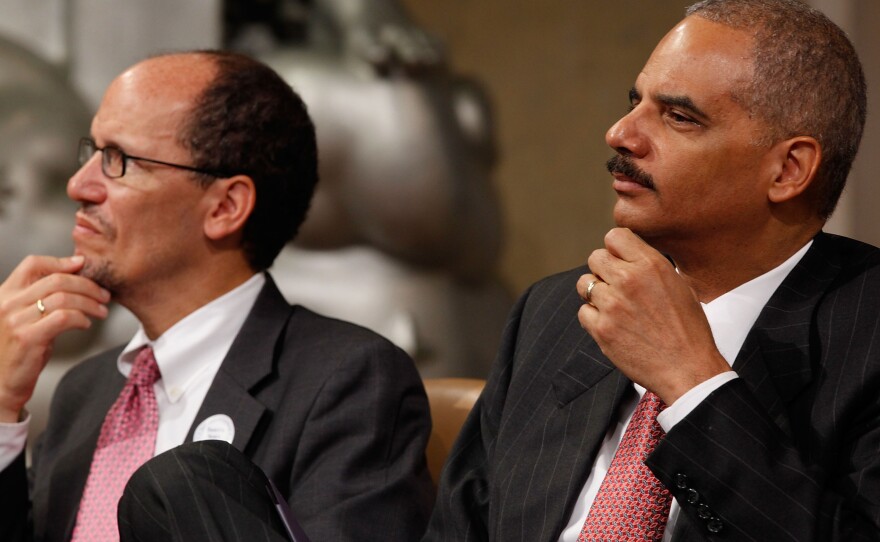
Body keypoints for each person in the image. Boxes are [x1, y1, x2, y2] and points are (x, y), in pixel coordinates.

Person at [424, 1, 879, 541]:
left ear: (788, 169)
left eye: (679, 116)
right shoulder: (555, 313)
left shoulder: (868, 330)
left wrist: (693, 384)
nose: (620, 134)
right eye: (633, 102)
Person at [0, 50, 433, 541]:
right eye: (91, 152)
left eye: (117, 160)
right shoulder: (86, 391)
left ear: (225, 207)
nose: (79, 185)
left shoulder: (346, 383)